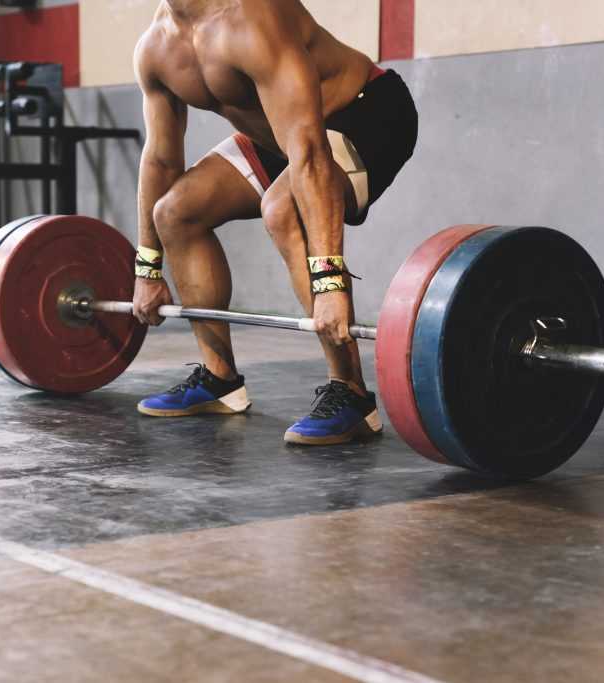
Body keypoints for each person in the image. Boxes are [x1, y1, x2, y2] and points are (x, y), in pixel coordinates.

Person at [132, 0, 418, 445]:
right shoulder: (157, 47)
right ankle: (219, 380)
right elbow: (161, 160)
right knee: (175, 212)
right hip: (277, 136)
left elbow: (308, 150)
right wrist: (147, 270)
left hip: (365, 112)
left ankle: (351, 395)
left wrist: (329, 282)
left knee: (282, 208)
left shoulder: (253, 17)